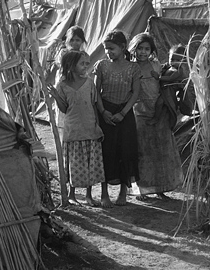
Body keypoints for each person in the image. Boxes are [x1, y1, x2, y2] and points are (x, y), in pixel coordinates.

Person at [128, 33, 183, 200]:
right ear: (134, 49)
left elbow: (164, 83)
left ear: (151, 51)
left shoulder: (156, 65)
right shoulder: (130, 67)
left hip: (159, 112)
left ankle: (161, 189)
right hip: (139, 112)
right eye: (140, 48)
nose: (143, 52)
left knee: (161, 151)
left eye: (147, 49)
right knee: (141, 151)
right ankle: (142, 189)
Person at [47, 51, 105, 206]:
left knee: (89, 164)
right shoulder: (63, 85)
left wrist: (97, 126)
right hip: (73, 129)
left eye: (87, 63)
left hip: (89, 128)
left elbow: (93, 106)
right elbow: (64, 109)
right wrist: (56, 96)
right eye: (82, 63)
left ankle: (88, 195)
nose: (86, 66)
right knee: (74, 164)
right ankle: (72, 194)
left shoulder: (89, 83)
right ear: (71, 66)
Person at [93, 30, 141, 207]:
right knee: (106, 152)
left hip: (125, 114)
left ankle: (123, 193)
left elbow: (135, 93)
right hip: (105, 112)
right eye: (106, 49)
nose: (108, 52)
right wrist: (103, 111)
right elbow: (96, 91)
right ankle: (104, 194)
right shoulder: (101, 65)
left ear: (122, 47)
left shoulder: (133, 68)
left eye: (111, 49)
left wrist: (123, 113)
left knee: (125, 152)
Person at [148, 44, 188, 125]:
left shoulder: (179, 71)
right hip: (161, 88)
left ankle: (156, 118)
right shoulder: (169, 66)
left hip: (168, 92)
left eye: (177, 60)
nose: (173, 62)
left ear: (183, 61)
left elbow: (170, 78)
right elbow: (162, 67)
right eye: (172, 59)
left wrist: (159, 77)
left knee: (159, 103)